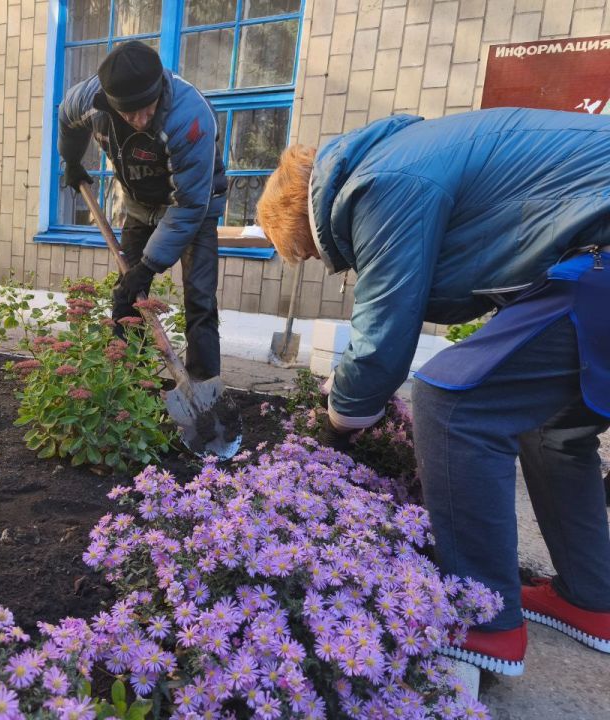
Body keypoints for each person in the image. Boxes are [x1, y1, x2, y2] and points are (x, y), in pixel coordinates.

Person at [256, 107, 610, 676]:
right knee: (553, 428)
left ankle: (482, 620)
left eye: (311, 255)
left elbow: (384, 334)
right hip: (591, 260)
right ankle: (591, 599)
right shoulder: (406, 154)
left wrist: (338, 422)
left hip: (598, 261)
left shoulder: (383, 183)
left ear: (306, 225)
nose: (326, 265)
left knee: (453, 405)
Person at [57, 41, 227, 381]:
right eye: (129, 114)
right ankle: (127, 379)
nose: (139, 120)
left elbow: (189, 205)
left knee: (200, 299)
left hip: (195, 207)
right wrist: (72, 161)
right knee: (127, 293)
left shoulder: (190, 118)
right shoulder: (89, 100)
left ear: (159, 91)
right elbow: (66, 117)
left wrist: (149, 266)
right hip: (139, 205)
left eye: (147, 110)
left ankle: (204, 388)